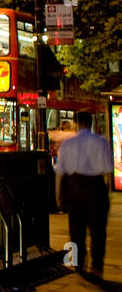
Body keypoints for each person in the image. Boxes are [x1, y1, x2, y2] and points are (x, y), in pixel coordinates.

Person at [54, 111, 111, 276]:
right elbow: (106, 168)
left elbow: (61, 171)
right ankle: (97, 266)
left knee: (76, 229)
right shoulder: (101, 142)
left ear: (75, 123)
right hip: (95, 186)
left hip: (75, 187)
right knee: (98, 231)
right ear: (91, 123)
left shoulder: (67, 143)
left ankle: (78, 265)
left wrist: (59, 195)